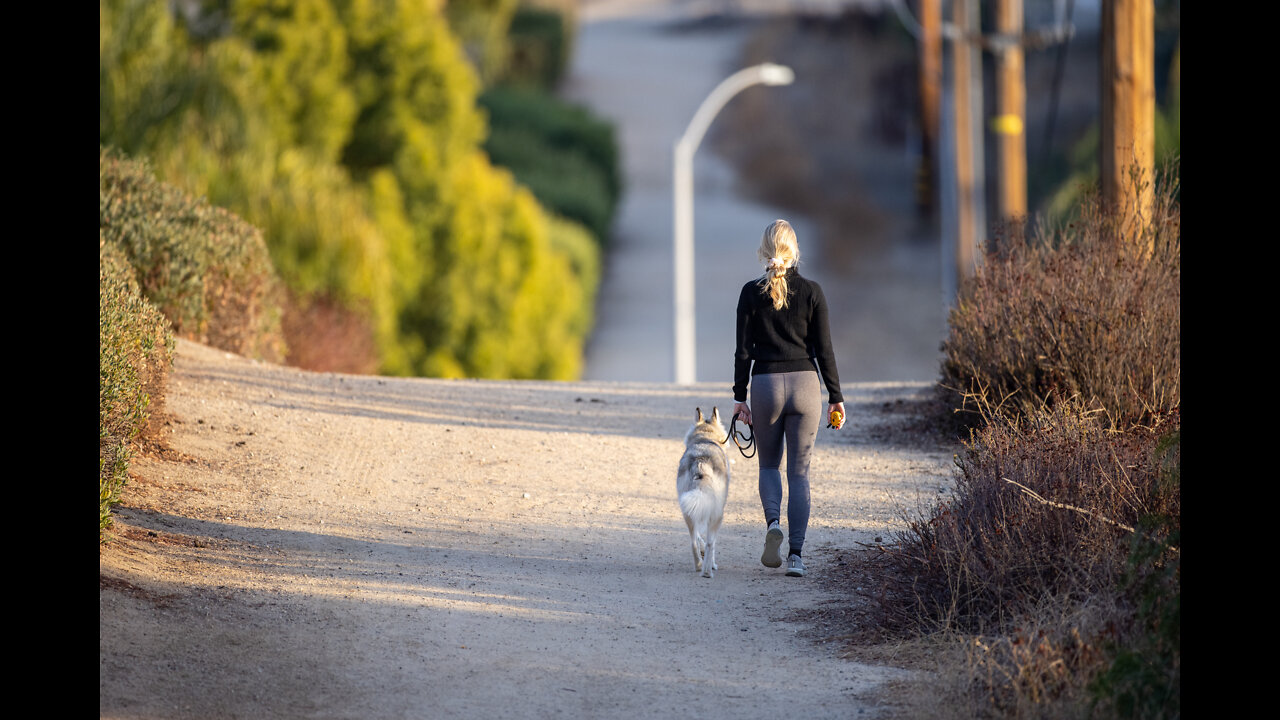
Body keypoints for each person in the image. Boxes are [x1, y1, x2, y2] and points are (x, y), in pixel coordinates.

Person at [732, 219, 845, 578]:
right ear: (795, 251)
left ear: (765, 252)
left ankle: (772, 525)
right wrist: (836, 397)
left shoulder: (750, 293)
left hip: (765, 385)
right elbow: (825, 350)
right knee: (799, 474)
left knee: (768, 466)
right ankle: (796, 556)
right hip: (806, 386)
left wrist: (739, 399)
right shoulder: (813, 292)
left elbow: (742, 353)